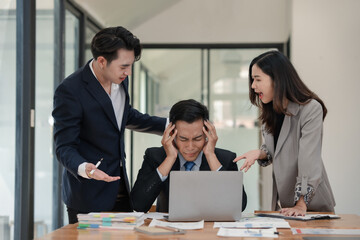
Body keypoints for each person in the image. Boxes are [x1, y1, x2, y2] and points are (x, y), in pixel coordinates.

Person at [52, 26, 166, 223]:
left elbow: (123, 115)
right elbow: (64, 146)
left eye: (130, 66)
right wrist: (84, 167)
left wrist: (171, 125)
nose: (128, 72)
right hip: (88, 194)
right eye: (123, 66)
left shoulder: (120, 79)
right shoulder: (70, 90)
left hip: (120, 187)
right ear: (102, 61)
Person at [234, 50, 335, 216]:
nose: (253, 85)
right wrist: (259, 153)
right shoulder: (269, 111)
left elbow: (309, 159)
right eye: (252, 80)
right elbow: (275, 150)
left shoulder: (310, 109)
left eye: (258, 79)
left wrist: (302, 204)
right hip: (287, 207)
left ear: (277, 79)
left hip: (313, 205)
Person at [131, 99, 247, 213]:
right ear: (171, 133)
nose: (190, 147)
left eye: (197, 138)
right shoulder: (156, 157)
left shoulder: (225, 159)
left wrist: (211, 156)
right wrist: (170, 158)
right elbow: (138, 205)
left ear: (207, 133)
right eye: (183, 139)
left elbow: (239, 206)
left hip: (209, 229)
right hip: (168, 230)